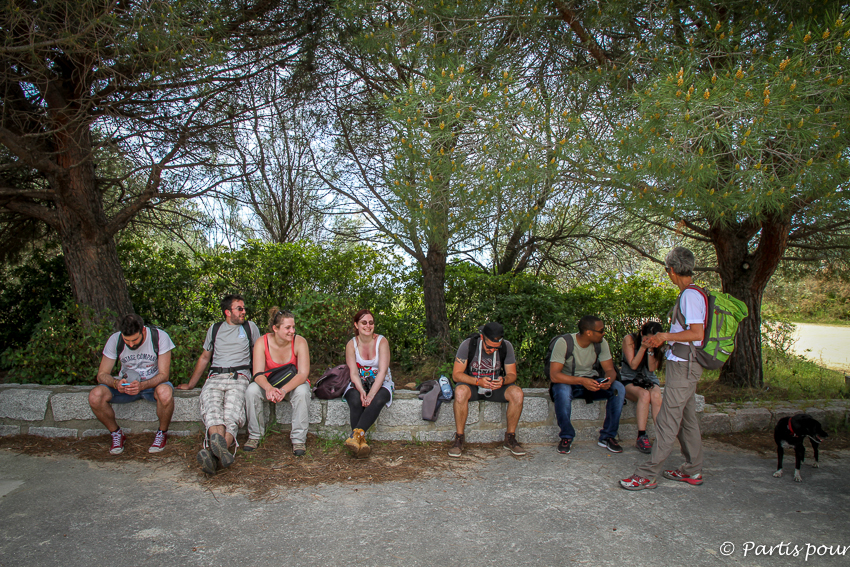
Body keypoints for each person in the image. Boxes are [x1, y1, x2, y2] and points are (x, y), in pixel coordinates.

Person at [621, 247, 707, 491]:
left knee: (668, 420)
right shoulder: (695, 293)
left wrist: (664, 336)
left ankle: (647, 474)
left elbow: (696, 333)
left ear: (671, 270)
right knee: (687, 420)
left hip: (684, 366)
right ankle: (692, 470)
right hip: (686, 365)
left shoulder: (689, 296)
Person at [177, 294, 260, 475]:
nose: (244, 311)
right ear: (227, 312)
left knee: (232, 414)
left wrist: (260, 380)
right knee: (212, 412)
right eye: (239, 308)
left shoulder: (250, 327)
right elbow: (205, 357)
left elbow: (258, 354)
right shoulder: (215, 329)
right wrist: (191, 385)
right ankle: (220, 454)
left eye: (244, 308)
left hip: (239, 376)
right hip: (215, 377)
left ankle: (212, 455)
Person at [89, 314, 175, 454]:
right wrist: (116, 383)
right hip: (125, 387)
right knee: (95, 396)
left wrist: (142, 386)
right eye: (126, 340)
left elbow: (164, 375)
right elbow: (102, 375)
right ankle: (116, 433)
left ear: (143, 331)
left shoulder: (160, 337)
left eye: (135, 340)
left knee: (165, 393)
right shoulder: (115, 340)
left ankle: (162, 433)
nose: (131, 344)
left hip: (151, 385)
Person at [549, 316, 625, 455]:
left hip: (592, 382)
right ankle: (566, 436)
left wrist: (608, 381)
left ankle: (608, 436)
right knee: (562, 391)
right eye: (601, 331)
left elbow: (610, 369)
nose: (604, 333)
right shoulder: (564, 342)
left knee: (618, 388)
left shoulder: (601, 343)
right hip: (569, 383)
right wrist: (582, 381)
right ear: (589, 332)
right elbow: (554, 375)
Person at [448, 322, 526, 458]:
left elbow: (512, 375)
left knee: (517, 393)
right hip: (473, 385)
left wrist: (503, 380)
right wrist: (478, 381)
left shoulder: (506, 346)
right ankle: (459, 438)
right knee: (460, 392)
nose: (492, 350)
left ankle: (510, 437)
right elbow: (456, 375)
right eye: (489, 347)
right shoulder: (468, 345)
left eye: (496, 348)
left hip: (495, 386)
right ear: (482, 338)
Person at [244, 308, 311, 456]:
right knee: (251, 390)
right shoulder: (262, 342)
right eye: (287, 328)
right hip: (270, 384)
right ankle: (255, 435)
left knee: (303, 391)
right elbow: (257, 374)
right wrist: (269, 388)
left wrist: (284, 390)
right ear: (275, 328)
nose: (292, 331)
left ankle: (298, 439)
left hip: (292, 385)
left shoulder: (300, 342)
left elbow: (303, 374)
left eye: (293, 327)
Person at [342, 309, 394, 458]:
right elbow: (353, 373)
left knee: (378, 399)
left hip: (380, 381)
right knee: (354, 399)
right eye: (364, 322)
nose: (368, 326)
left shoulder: (382, 342)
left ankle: (355, 438)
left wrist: (370, 395)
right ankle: (361, 441)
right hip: (358, 381)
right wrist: (361, 391)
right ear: (356, 325)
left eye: (371, 322)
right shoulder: (351, 344)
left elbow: (382, 371)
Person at [620, 321, 665, 454]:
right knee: (644, 395)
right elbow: (633, 365)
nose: (650, 341)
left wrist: (650, 350)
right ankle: (641, 436)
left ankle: (661, 436)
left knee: (656, 395)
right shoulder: (629, 340)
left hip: (648, 379)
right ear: (641, 334)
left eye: (653, 339)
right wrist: (643, 348)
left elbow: (651, 369)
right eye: (647, 338)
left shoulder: (658, 345)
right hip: (629, 379)